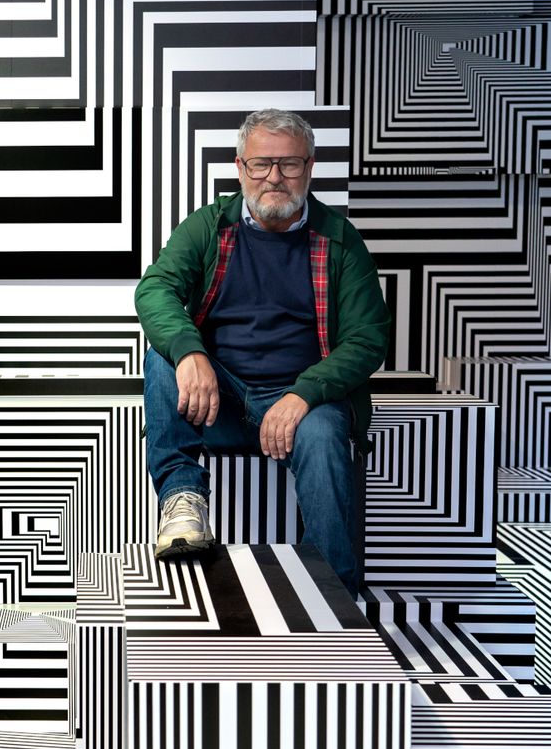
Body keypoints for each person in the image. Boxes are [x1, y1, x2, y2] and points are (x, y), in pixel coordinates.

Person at [134, 108, 390, 594]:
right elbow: (156, 289)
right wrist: (192, 354)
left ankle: (335, 596)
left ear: (309, 168)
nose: (275, 177)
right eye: (261, 164)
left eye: (289, 165)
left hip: (301, 400)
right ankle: (183, 502)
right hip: (219, 401)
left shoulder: (340, 240)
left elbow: (367, 338)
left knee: (321, 437)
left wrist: (303, 395)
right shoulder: (208, 227)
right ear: (240, 167)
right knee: (164, 354)